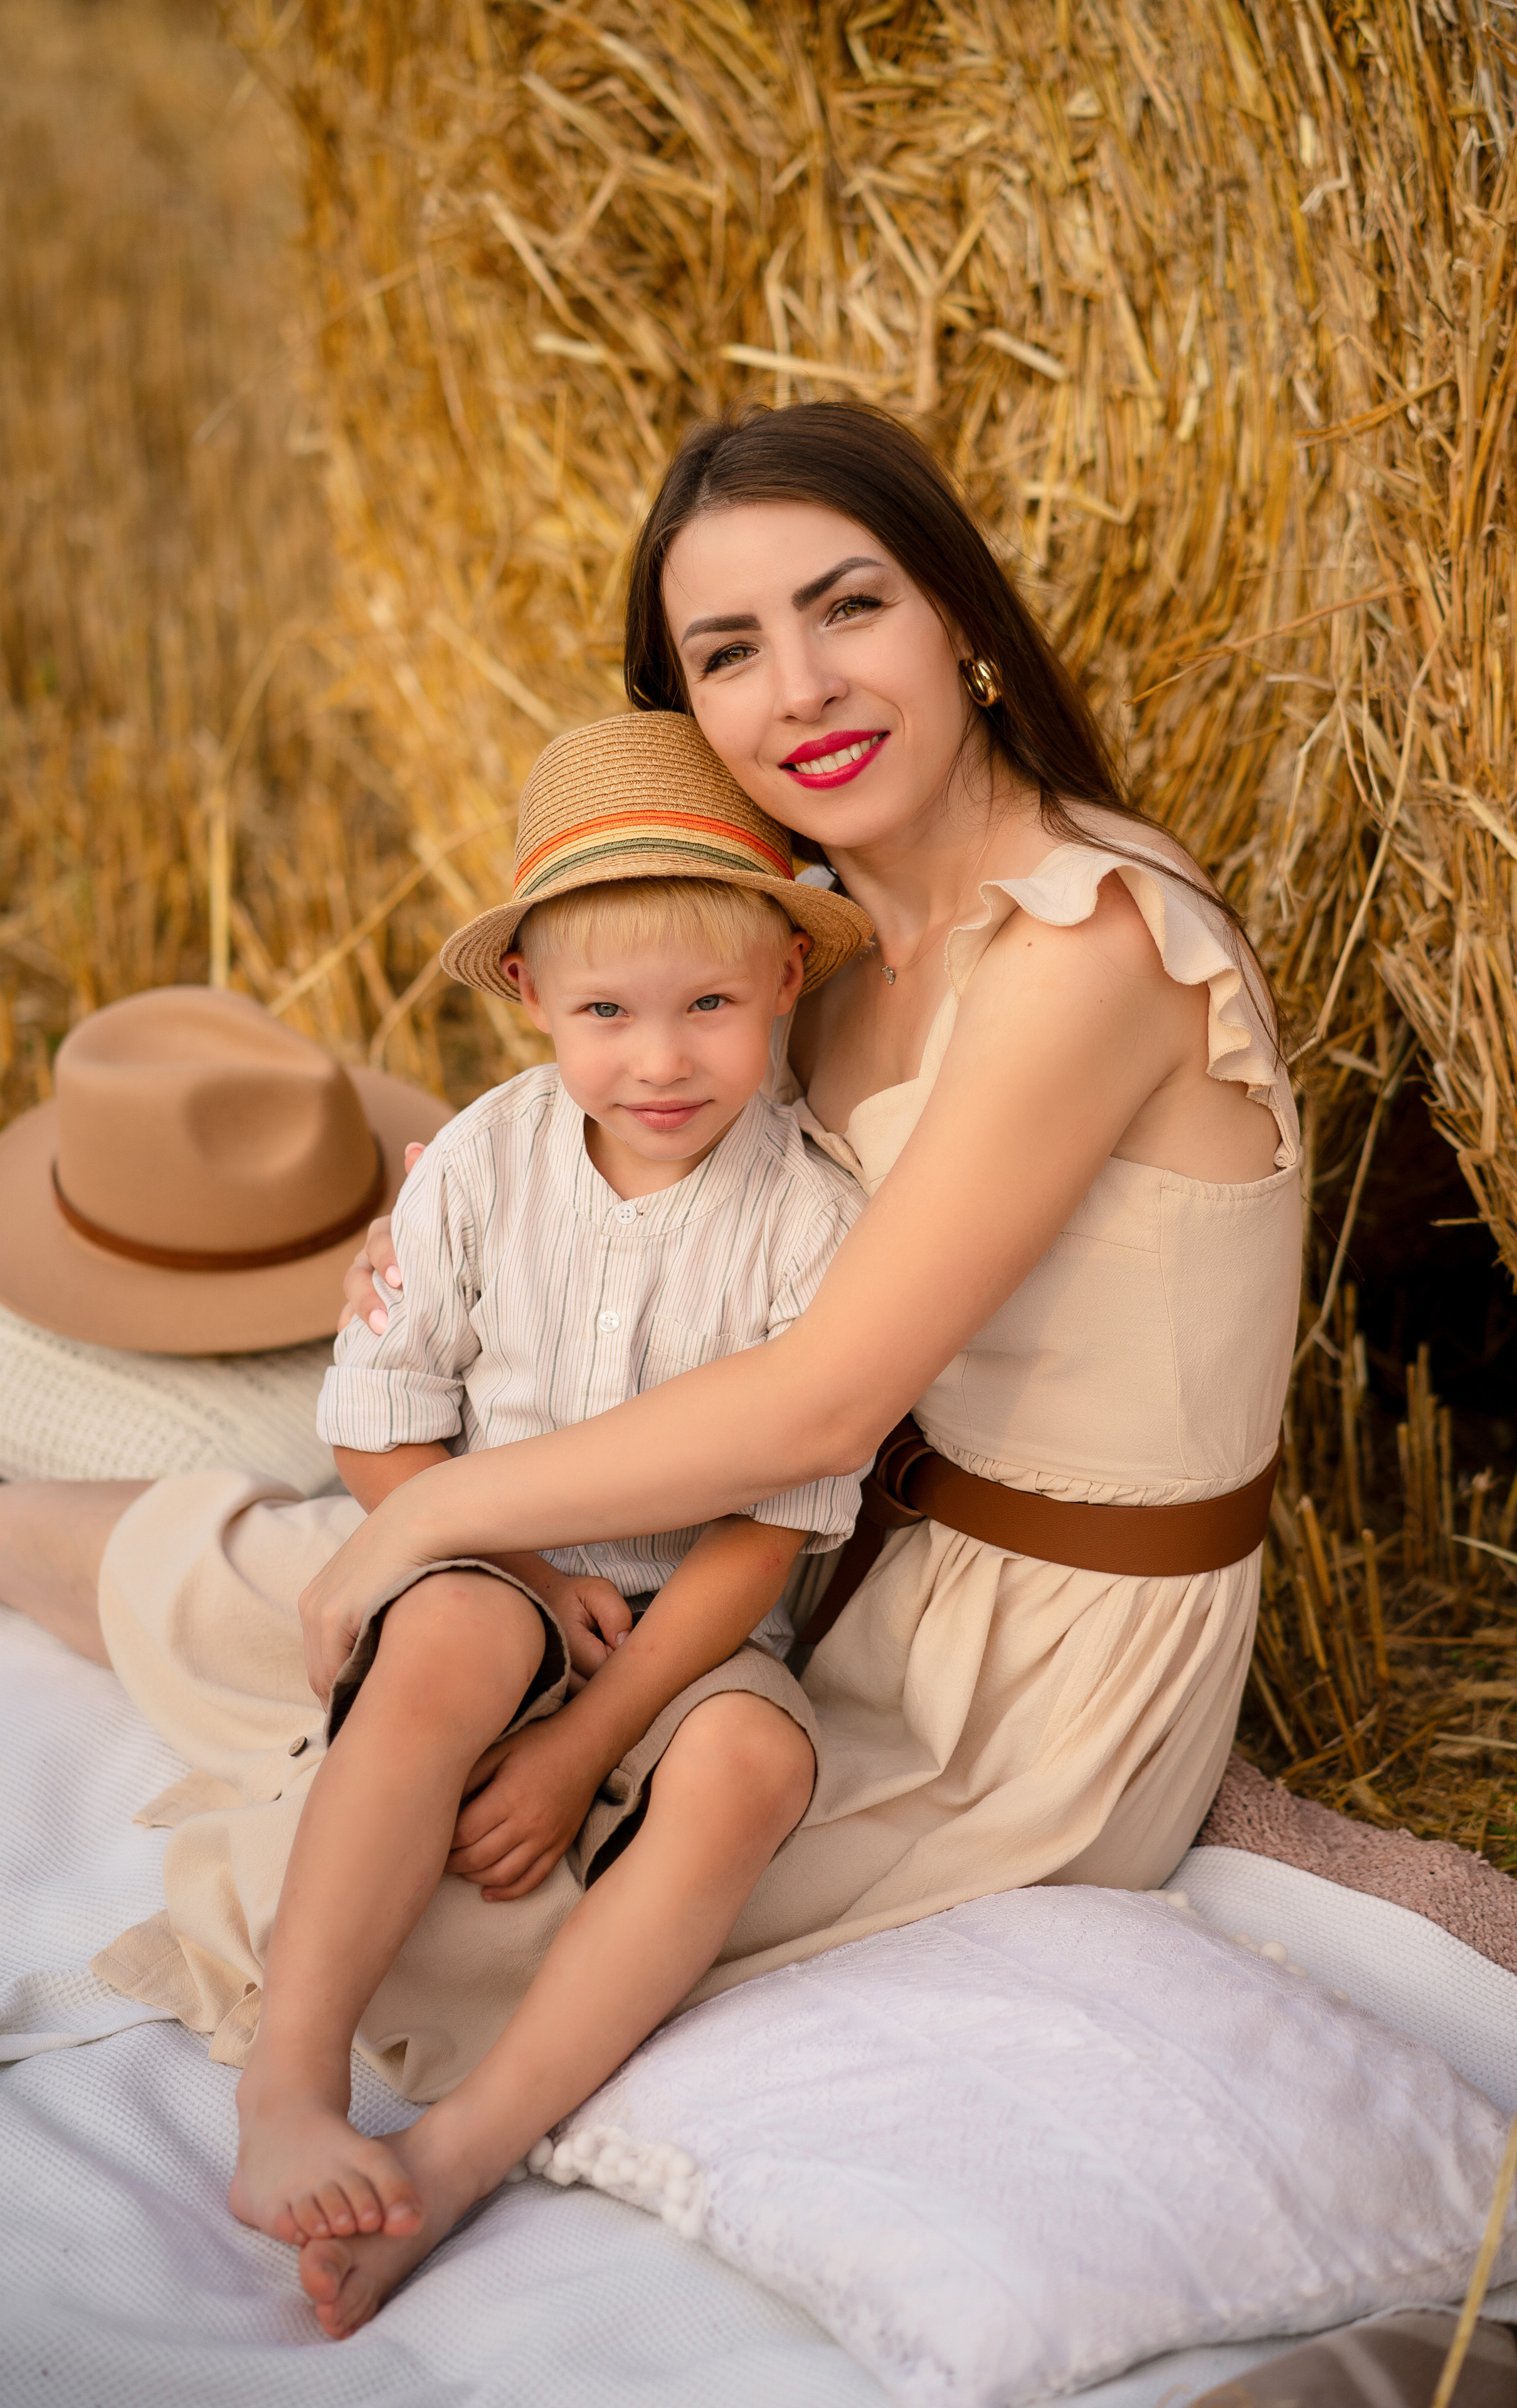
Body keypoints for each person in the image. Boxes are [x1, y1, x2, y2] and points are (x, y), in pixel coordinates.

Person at [2, 399, 1303, 2335]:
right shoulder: (836, 948)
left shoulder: (1088, 945)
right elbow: (643, 1130)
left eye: (846, 606)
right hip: (805, 1564)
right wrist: (461, 1211)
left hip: (1025, 1665)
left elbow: (813, 1408)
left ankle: (445, 2162)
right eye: (726, 653)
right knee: (350, 1598)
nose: (800, 688)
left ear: (959, 611)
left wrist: (441, 1510)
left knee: (452, 1857)